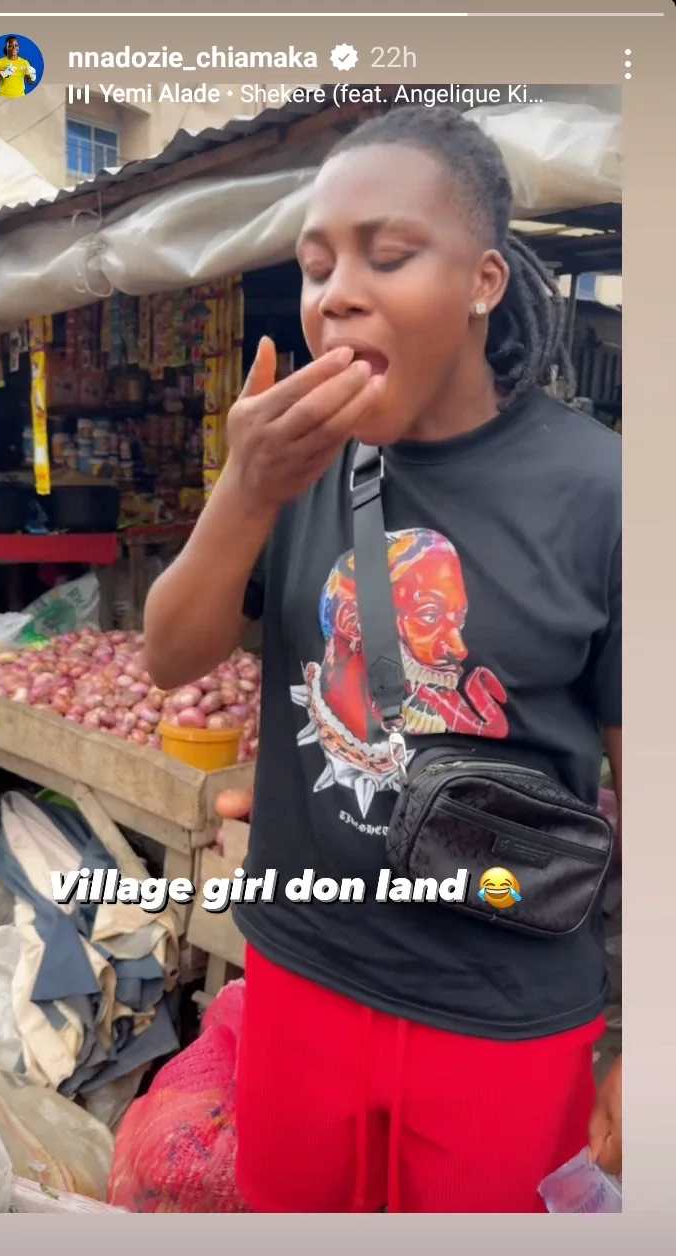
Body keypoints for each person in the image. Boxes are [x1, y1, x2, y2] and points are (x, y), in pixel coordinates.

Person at [144, 105, 622, 1213]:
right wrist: (244, 487)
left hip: (504, 1012)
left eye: (387, 255)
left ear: (484, 280)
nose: (336, 292)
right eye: (316, 267)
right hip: (303, 972)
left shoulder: (603, 491)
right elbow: (174, 652)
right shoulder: (295, 457)